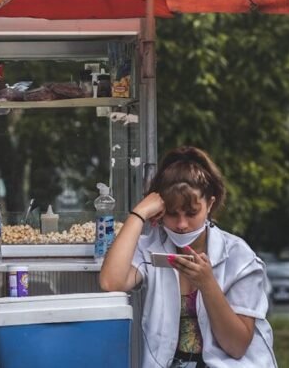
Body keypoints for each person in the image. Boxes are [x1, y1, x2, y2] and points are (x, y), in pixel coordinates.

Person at [99, 146, 276, 368]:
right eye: (172, 213)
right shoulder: (152, 247)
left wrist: (207, 284)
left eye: (191, 213)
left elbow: (237, 346)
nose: (182, 225)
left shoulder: (238, 256)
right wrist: (139, 214)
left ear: (210, 204)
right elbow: (110, 282)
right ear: (160, 209)